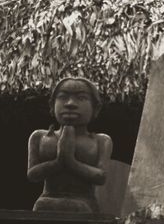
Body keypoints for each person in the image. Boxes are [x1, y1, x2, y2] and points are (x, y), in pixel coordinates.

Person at [27, 76, 113, 212]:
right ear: (52, 105)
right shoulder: (39, 137)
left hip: (84, 201)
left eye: (81, 98)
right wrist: (58, 162)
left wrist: (71, 162)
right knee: (42, 206)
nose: (70, 103)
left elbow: (100, 177)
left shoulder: (101, 140)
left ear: (95, 108)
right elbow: (32, 174)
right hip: (48, 198)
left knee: (80, 208)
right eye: (62, 97)